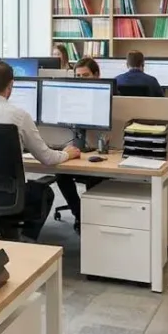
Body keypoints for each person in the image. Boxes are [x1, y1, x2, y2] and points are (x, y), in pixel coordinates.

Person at [0, 62, 80, 237]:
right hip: (10, 196)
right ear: (11, 86)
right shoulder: (19, 116)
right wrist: (66, 153)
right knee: (45, 192)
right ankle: (26, 238)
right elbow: (47, 158)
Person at [60, 59, 104, 232]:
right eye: (77, 76)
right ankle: (80, 215)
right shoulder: (69, 97)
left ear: (97, 75)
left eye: (85, 76)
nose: (81, 80)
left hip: (100, 151)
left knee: (95, 175)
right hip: (75, 148)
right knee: (61, 174)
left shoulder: (110, 95)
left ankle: (95, 220)